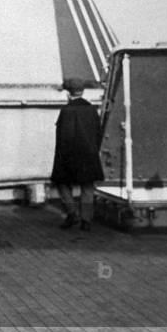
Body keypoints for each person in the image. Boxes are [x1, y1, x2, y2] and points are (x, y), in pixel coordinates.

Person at [51, 78, 104, 232]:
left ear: (68, 93)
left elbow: (63, 136)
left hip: (69, 155)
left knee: (62, 184)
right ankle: (86, 221)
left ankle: (71, 213)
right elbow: (98, 133)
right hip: (89, 154)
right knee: (87, 187)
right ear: (82, 91)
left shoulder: (66, 110)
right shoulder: (91, 109)